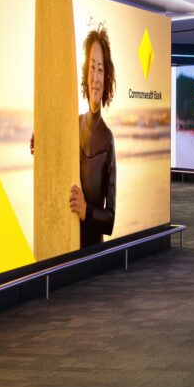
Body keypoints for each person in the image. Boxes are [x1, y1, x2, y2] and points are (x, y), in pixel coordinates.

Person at [73, 26, 119, 249]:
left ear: (106, 77)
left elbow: (110, 218)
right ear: (85, 72)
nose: (95, 77)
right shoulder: (73, 124)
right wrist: (41, 138)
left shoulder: (107, 139)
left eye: (100, 69)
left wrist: (85, 211)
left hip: (92, 252)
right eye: (92, 67)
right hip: (67, 245)